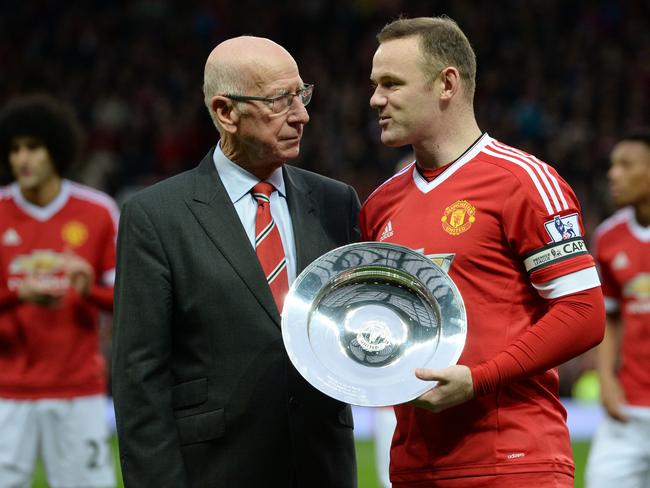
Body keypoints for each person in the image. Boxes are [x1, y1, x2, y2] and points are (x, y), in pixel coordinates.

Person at [359, 16, 605, 487]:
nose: (375, 99)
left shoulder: (524, 182)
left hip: (513, 459)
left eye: (391, 83)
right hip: (413, 465)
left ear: (447, 83)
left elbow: (582, 311)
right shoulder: (378, 206)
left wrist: (479, 379)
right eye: (374, 85)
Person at [111, 36, 360, 488]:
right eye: (281, 100)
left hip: (321, 467)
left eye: (302, 95)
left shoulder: (335, 202)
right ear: (226, 112)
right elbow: (139, 378)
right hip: (216, 468)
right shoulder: (156, 215)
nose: (302, 114)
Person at [0, 95, 117, 487]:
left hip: (77, 387)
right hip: (7, 390)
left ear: (56, 149)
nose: (22, 160)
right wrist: (17, 295)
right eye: (14, 150)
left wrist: (89, 292)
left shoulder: (98, 211)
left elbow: (127, 298)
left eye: (33, 147)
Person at [585, 129, 650, 488]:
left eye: (626, 165)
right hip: (626, 411)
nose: (613, 174)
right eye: (612, 165)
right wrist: (607, 381)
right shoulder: (609, 237)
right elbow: (608, 317)